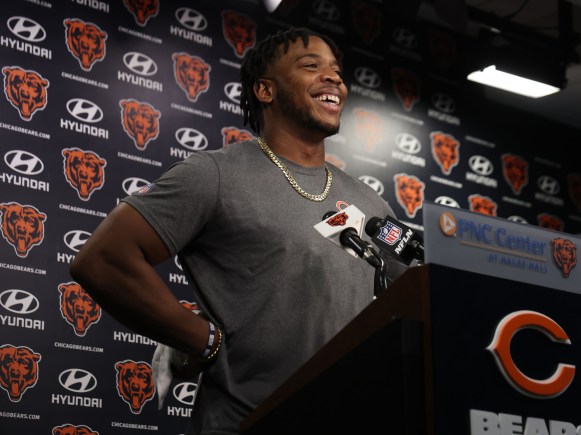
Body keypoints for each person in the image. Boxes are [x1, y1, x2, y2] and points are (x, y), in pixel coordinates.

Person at [70, 26, 403, 434]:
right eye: (310, 66)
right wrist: (203, 342)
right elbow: (103, 260)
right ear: (265, 91)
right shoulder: (215, 174)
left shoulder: (371, 204)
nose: (334, 77)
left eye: (336, 69)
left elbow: (415, 296)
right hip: (247, 420)